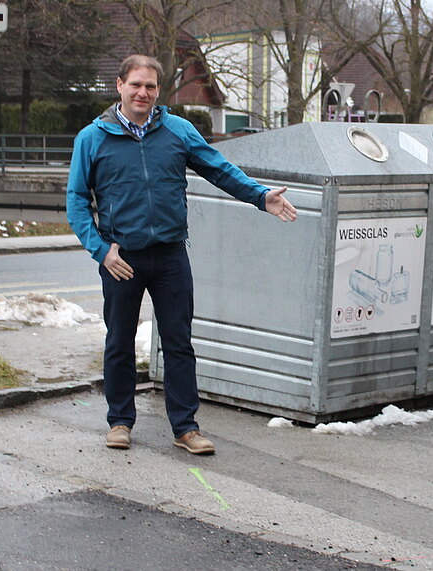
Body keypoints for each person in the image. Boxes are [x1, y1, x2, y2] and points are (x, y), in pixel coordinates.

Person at [66, 54, 297, 455]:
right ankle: (119, 421)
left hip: (171, 255)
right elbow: (75, 200)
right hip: (121, 259)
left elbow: (219, 169)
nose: (143, 92)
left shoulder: (177, 130)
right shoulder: (93, 137)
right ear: (119, 85)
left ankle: (185, 427)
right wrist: (100, 250)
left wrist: (261, 197)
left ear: (158, 91)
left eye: (150, 86)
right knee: (119, 341)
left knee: (178, 342)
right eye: (136, 84)